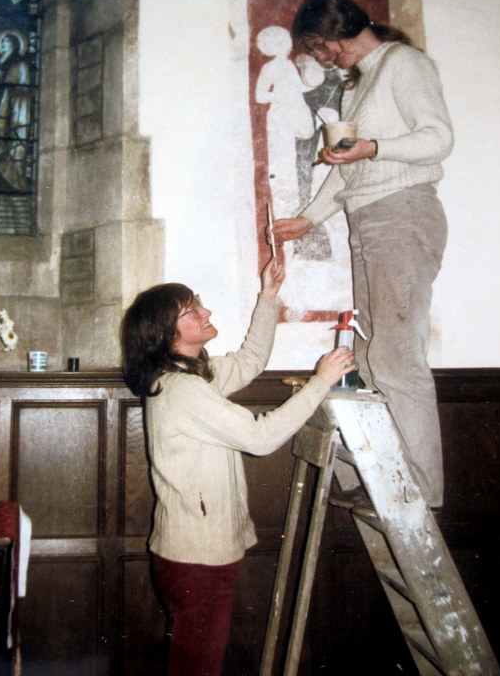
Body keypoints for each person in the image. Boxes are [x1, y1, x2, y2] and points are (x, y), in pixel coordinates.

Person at [120, 257, 355, 676]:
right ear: (166, 334)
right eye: (191, 311)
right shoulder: (183, 390)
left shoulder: (189, 376)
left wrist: (268, 297)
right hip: (197, 558)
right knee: (197, 668)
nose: (206, 312)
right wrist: (320, 382)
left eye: (199, 304)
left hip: (194, 552)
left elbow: (249, 361)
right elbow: (261, 438)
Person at [271, 0, 453, 509]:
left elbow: (438, 138)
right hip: (369, 220)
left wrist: (375, 147)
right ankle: (392, 483)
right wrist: (303, 221)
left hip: (403, 212)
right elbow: (345, 174)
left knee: (396, 359)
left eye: (323, 47)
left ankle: (419, 494)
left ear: (341, 28)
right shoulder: (357, 91)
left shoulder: (404, 64)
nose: (326, 59)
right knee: (376, 359)